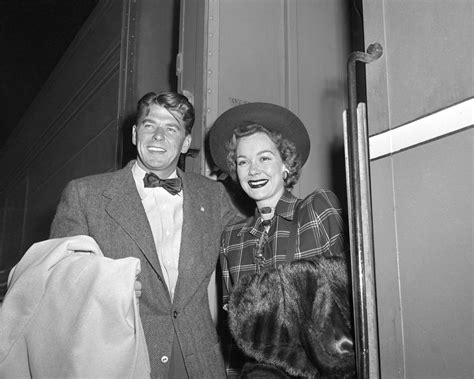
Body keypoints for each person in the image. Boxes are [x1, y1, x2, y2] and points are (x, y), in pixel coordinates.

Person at [50, 91, 241, 378]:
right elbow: (59, 277)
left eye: (171, 128)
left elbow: (251, 244)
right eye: (150, 126)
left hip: (199, 362)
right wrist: (108, 284)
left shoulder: (213, 196)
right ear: (135, 134)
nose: (158, 136)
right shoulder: (84, 194)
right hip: (121, 360)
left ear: (186, 142)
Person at [208, 102, 355, 377]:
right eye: (243, 162)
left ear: (285, 164)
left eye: (264, 158)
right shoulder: (232, 239)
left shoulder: (317, 208)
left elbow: (344, 312)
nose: (253, 170)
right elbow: (233, 336)